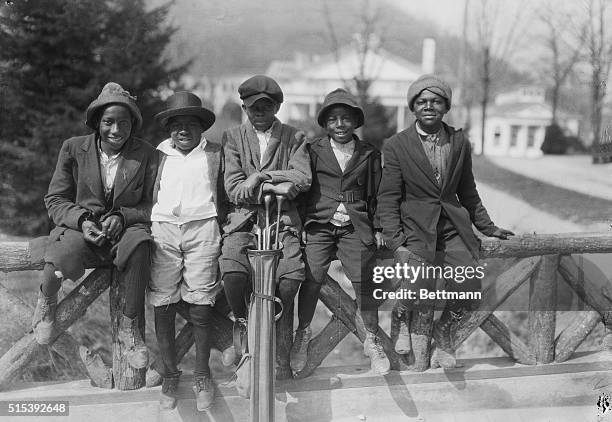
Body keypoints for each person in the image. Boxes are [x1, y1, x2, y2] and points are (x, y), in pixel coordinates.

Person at [377, 74, 514, 369]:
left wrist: (488, 227)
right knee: (416, 284)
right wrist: (395, 239)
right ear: (413, 107)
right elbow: (388, 197)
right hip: (415, 226)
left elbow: (468, 190)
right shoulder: (396, 145)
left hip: (452, 226)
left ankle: (444, 330)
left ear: (445, 107)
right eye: (422, 101)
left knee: (469, 285)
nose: (429, 106)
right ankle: (400, 316)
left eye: (436, 101)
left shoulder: (459, 141)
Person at [33, 82, 157, 370]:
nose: (116, 131)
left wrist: (124, 216)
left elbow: (153, 205)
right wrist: (82, 220)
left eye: (123, 123)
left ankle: (131, 329)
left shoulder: (146, 153)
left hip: (125, 231)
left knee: (140, 247)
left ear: (133, 124)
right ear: (96, 122)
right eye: (108, 122)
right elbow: (55, 199)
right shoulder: (74, 148)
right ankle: (48, 303)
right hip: (82, 229)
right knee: (61, 252)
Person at [291, 88, 390, 375]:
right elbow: (302, 191)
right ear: (325, 123)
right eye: (333, 119)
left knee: (364, 279)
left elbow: (378, 195)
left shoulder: (369, 154)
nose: (340, 125)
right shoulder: (313, 150)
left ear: (355, 121)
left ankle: (371, 339)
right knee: (311, 277)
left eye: (346, 119)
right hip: (320, 225)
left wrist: (380, 227)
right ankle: (303, 334)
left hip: (353, 227)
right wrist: (300, 226)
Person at [220, 75, 311, 379]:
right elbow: (234, 190)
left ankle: (268, 330)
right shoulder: (233, 138)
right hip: (244, 221)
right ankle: (243, 323)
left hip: (283, 222)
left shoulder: (293, 137)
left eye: (267, 106)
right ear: (244, 107)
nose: (260, 112)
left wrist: (259, 177)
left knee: (290, 277)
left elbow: (302, 179)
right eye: (253, 107)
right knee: (232, 270)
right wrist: (278, 185)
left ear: (277, 107)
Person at [147, 91, 228, 410]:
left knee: (201, 303)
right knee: (164, 300)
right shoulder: (158, 155)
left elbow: (227, 191)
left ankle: (202, 373)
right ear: (167, 128)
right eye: (176, 124)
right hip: (164, 228)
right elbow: (146, 192)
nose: (183, 130)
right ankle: (169, 373)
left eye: (191, 124)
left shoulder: (215, 154)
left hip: (204, 227)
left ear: (201, 128)